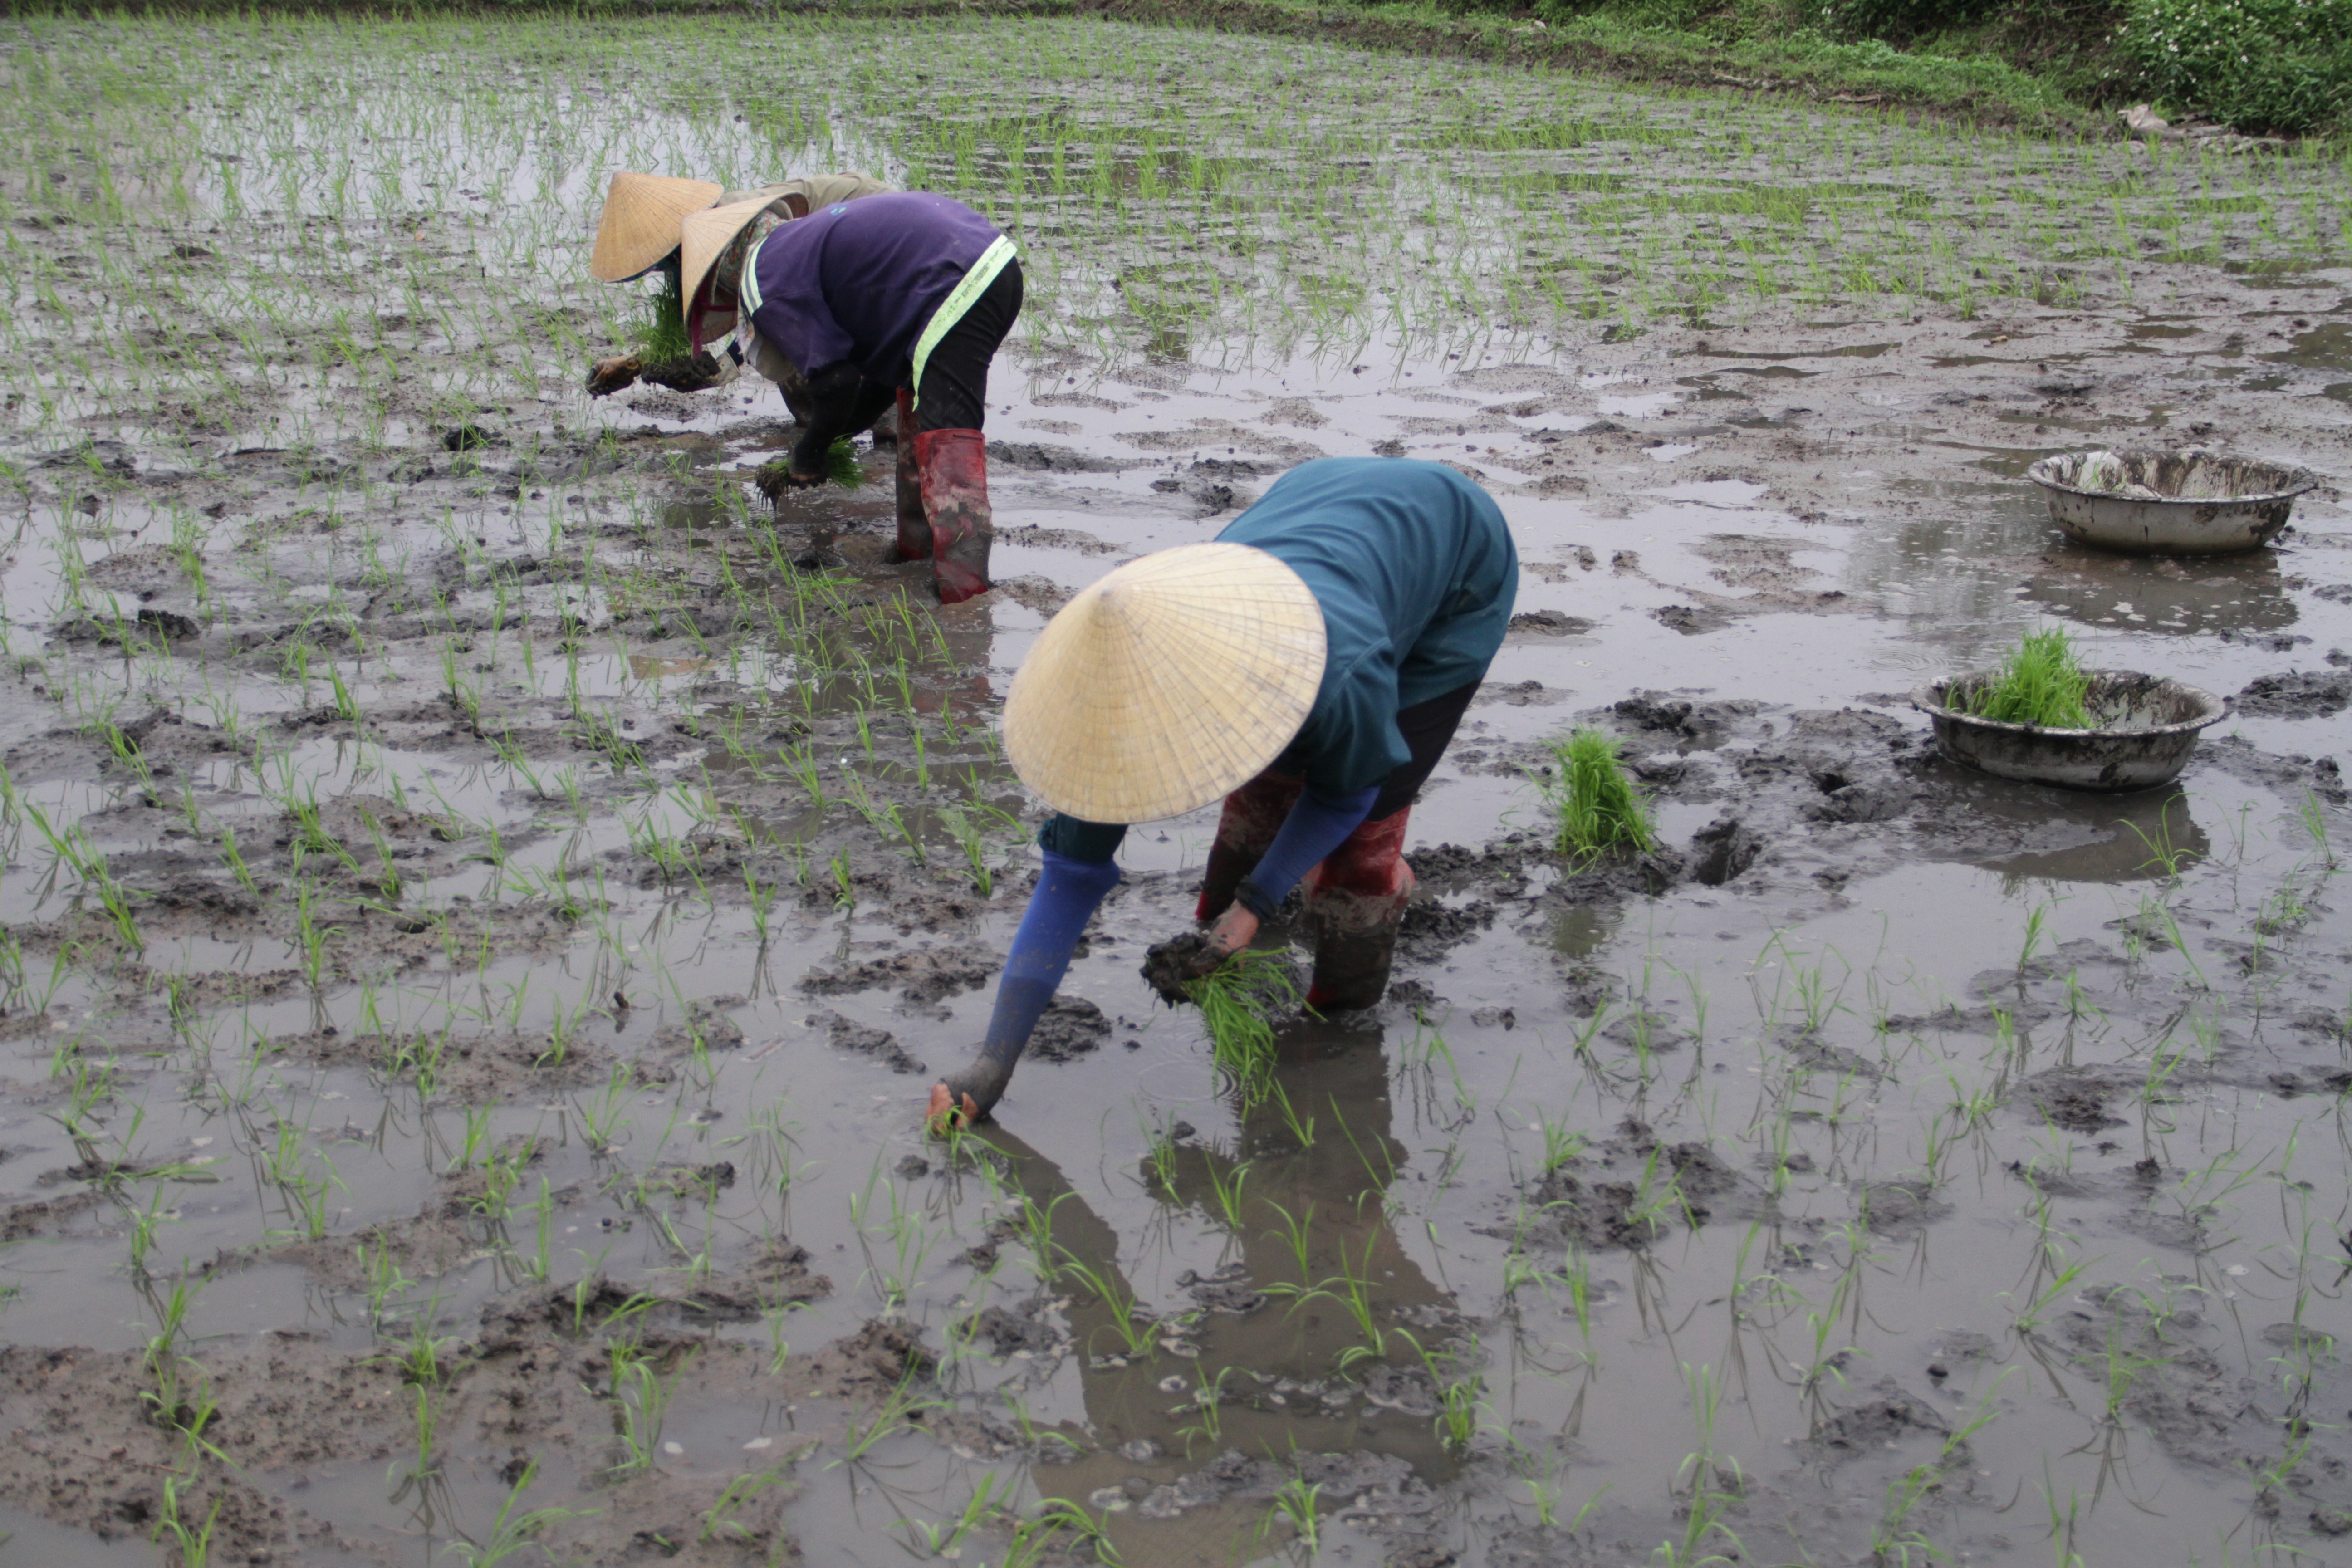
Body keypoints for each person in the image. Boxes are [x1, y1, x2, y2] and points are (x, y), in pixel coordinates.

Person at [926, 456, 1518, 1131]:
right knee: (1261, 805)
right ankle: (1238, 956)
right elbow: (1068, 882)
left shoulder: (1341, 670)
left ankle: (1339, 1032)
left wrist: (1259, 902)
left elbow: (1346, 794)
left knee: (1359, 846)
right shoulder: (1109, 713)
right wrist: (993, 1064)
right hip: (1313, 512)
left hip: (1456, 561)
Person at [679, 188, 1020, 605]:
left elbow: (835, 382)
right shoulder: (797, 251)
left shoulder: (762, 277)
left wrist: (810, 452)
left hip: (953, 281)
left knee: (949, 433)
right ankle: (916, 558)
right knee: (918, 401)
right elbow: (873, 383)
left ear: (719, 279)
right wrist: (839, 434)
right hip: (994, 262)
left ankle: (965, 598)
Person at [579, 169, 892, 405]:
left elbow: (774, 303)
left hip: (869, 220)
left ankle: (878, 420)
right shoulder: (686, 249)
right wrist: (634, 363)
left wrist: (720, 367)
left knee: (824, 344)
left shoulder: (736, 231)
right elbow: (679, 334)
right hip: (817, 253)